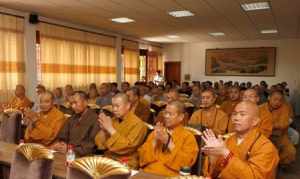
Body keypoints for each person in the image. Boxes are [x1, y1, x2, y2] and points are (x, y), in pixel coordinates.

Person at [202, 101, 279, 179]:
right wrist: (213, 159)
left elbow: (255, 176)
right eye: (234, 114)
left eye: (242, 114)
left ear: (255, 121)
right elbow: (216, 173)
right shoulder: (228, 140)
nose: (236, 118)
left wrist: (226, 153)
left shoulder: (265, 146)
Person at [139, 101, 199, 176]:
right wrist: (155, 140)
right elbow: (142, 157)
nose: (166, 116)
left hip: (170, 175)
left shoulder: (188, 137)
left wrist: (168, 142)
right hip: (148, 172)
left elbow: (186, 164)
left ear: (181, 117)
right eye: (165, 113)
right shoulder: (157, 131)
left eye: (170, 114)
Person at [94, 93, 148, 169]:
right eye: (113, 106)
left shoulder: (138, 124)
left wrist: (110, 129)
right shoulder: (112, 120)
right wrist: (104, 130)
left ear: (128, 106)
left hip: (126, 162)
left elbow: (126, 147)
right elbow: (100, 145)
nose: (114, 109)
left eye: (117, 106)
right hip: (109, 158)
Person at [51, 91, 99, 156]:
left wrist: (69, 149)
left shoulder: (95, 119)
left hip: (85, 157)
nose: (73, 106)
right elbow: (62, 136)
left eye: (75, 103)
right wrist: (61, 145)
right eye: (71, 103)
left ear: (85, 102)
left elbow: (91, 146)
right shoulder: (71, 119)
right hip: (67, 153)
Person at [262, 91, 296, 166]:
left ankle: (281, 163)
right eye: (275, 99)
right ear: (269, 98)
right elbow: (259, 125)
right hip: (264, 136)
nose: (277, 102)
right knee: (268, 153)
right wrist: (272, 126)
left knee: (291, 151)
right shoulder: (260, 108)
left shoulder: (285, 108)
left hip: (280, 136)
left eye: (280, 100)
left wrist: (270, 126)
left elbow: (283, 124)